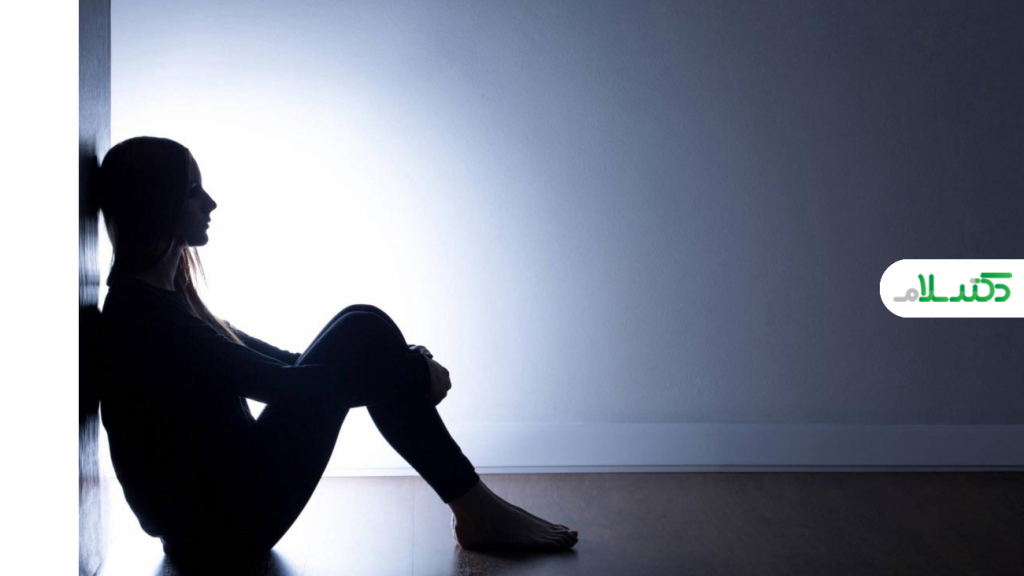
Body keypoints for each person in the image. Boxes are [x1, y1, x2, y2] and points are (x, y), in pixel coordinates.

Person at [95, 136, 578, 567]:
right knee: (362, 329)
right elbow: (280, 385)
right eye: (193, 191)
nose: (211, 202)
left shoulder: (163, 299)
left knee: (360, 323)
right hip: (220, 533)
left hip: (221, 515)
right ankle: (476, 508)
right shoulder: (147, 319)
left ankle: (475, 508)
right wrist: (407, 373)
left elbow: (280, 363)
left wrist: (399, 364)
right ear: (156, 204)